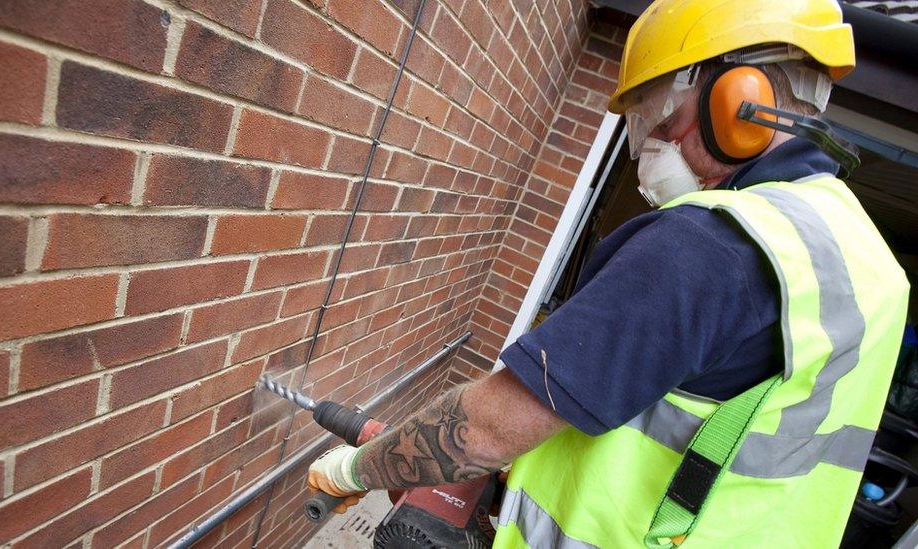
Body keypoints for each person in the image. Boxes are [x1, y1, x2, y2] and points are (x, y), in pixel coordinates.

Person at [306, 0, 911, 546]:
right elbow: (729, 428)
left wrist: (352, 470)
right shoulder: (865, 260)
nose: (654, 147)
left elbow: (483, 432)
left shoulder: (710, 244)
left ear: (741, 99)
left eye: (661, 113)